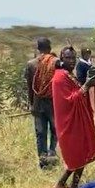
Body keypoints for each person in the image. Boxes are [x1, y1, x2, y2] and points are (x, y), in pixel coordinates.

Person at [52, 46, 95, 188]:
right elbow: (69, 100)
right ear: (62, 59)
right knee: (78, 153)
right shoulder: (60, 78)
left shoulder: (68, 74)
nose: (71, 61)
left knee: (82, 152)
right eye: (68, 58)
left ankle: (66, 184)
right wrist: (86, 85)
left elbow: (78, 92)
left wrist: (91, 83)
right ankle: (71, 186)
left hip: (78, 119)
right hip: (69, 122)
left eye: (73, 58)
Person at [24, 37, 59, 169]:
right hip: (54, 103)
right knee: (56, 130)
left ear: (38, 48)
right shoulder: (56, 62)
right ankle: (52, 153)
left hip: (38, 103)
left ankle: (43, 161)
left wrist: (31, 104)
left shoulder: (31, 64)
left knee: (41, 132)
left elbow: (29, 86)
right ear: (50, 48)